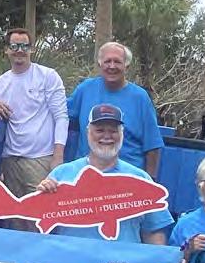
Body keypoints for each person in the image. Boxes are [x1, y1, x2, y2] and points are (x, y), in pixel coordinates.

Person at [36, 103, 172, 243]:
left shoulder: (141, 178)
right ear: (88, 132)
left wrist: (159, 255)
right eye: (99, 130)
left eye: (113, 131)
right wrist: (42, 200)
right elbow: (38, 232)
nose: (107, 136)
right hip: (70, 256)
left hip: (122, 258)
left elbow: (154, 232)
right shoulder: (61, 174)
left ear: (122, 134)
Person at [0, 27, 68, 231]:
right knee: (15, 219)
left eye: (25, 46)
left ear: (31, 49)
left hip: (40, 159)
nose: (20, 50)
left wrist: (58, 156)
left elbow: (61, 116)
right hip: (9, 161)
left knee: (42, 219)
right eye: (14, 46)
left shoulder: (48, 76)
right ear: (7, 50)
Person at [66, 42, 163, 179]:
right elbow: (62, 118)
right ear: (99, 64)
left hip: (127, 177)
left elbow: (152, 144)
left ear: (126, 66)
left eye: (117, 62)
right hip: (87, 175)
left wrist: (150, 181)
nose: (112, 66)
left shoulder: (140, 97)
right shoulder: (85, 89)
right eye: (107, 61)